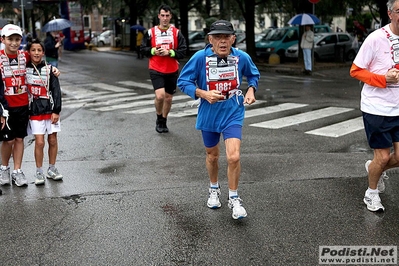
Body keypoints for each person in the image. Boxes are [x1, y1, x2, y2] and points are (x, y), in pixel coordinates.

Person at [177, 20, 260, 220]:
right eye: (217, 37)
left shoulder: (241, 57)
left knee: (233, 157)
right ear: (210, 39)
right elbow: (183, 81)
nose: (222, 42)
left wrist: (251, 89)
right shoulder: (199, 58)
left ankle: (234, 197)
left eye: (226, 37)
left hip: (233, 110)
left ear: (233, 39)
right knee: (212, 156)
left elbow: (253, 75)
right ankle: (214, 188)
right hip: (209, 112)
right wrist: (202, 93)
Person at [349, 0, 399, 212]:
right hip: (376, 108)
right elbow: (356, 70)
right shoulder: (375, 39)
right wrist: (383, 79)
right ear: (390, 13)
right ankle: (371, 194)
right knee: (384, 156)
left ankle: (373, 169)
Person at [0, 24, 60, 188]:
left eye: (17, 39)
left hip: (23, 106)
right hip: (6, 107)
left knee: (19, 139)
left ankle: (17, 171)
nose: (13, 43)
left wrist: (52, 69)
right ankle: (4, 168)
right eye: (10, 39)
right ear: (3, 39)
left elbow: (38, 60)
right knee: (8, 140)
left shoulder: (24, 55)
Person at [140, 4, 187, 133]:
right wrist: (154, 50)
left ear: (170, 16)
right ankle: (159, 117)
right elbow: (142, 49)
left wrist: (170, 53)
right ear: (158, 16)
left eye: (167, 16)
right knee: (160, 96)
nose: (165, 18)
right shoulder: (151, 32)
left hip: (171, 69)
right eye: (162, 16)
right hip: (156, 68)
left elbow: (183, 51)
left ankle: (164, 120)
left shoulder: (176, 33)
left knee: (168, 98)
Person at [26, 39, 62, 185]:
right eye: (33, 50)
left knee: (52, 140)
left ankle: (52, 169)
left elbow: (56, 90)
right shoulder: (24, 69)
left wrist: (56, 111)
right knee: (39, 142)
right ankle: (39, 171)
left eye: (39, 50)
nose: (36, 53)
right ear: (29, 52)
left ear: (43, 52)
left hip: (50, 108)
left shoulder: (50, 70)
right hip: (35, 110)